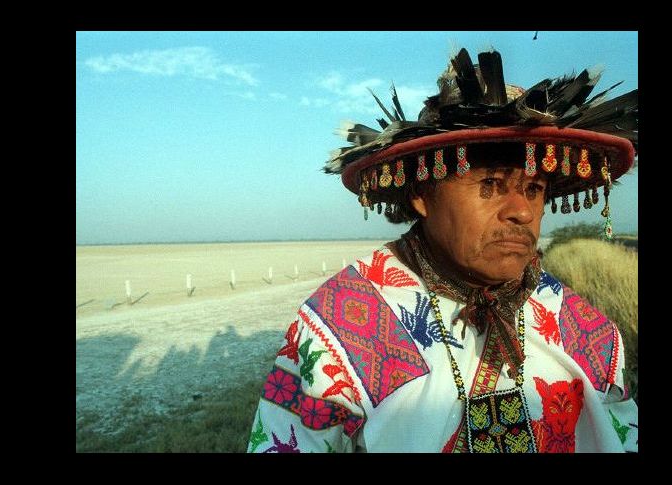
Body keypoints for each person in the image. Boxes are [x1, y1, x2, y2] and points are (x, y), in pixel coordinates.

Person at [247, 47, 638, 453]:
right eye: (490, 185)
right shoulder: (339, 329)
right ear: (422, 194)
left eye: (534, 189)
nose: (523, 211)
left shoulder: (587, 332)